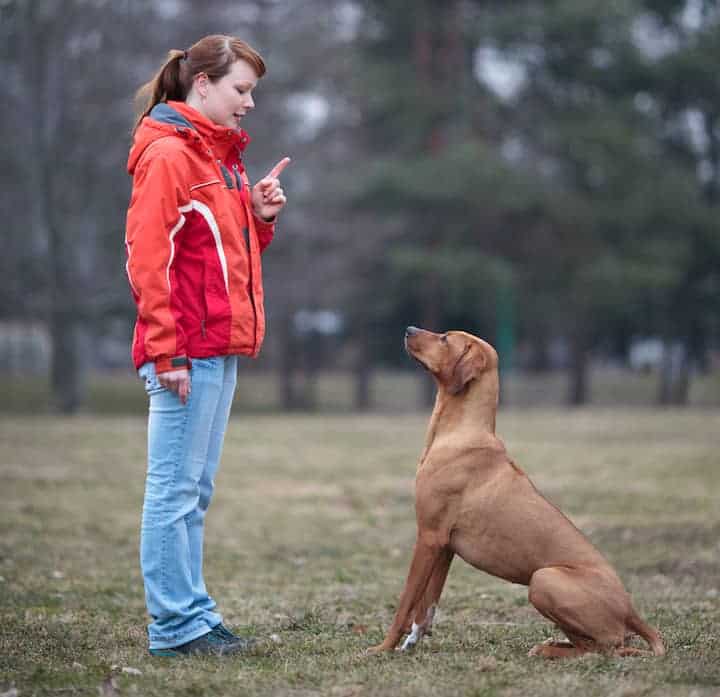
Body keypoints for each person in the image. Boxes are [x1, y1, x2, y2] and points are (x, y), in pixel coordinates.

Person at [125, 35, 289, 657]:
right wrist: (165, 353)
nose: (249, 104)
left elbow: (221, 258)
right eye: (240, 90)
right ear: (202, 85)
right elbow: (148, 259)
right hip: (183, 353)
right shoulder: (169, 155)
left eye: (252, 92)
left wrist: (259, 216)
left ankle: (193, 614)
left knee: (194, 493)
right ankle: (175, 627)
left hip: (216, 348)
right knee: (171, 492)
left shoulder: (221, 158)